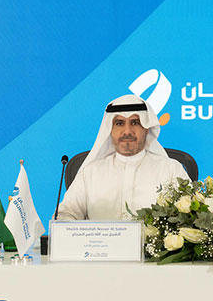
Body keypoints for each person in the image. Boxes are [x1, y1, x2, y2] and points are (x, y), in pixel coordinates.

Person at [57, 94, 188, 220]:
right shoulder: (90, 172)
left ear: (147, 128)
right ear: (110, 129)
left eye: (135, 123)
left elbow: (190, 217)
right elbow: (66, 214)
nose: (127, 131)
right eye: (119, 123)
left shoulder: (171, 170)